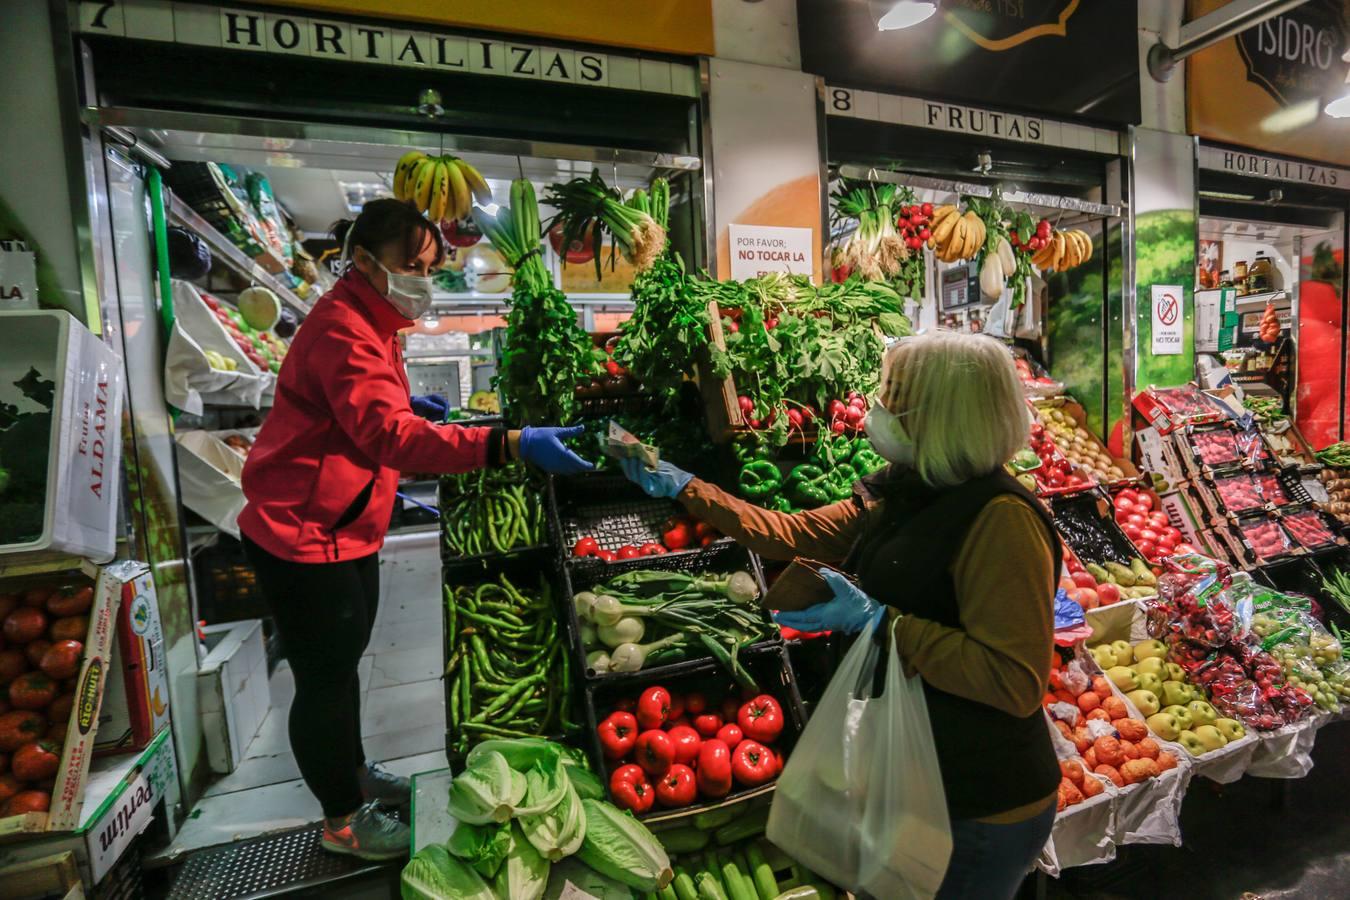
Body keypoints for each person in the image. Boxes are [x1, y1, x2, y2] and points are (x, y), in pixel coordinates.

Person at [622, 331, 1059, 899]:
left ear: (946, 414)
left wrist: (884, 623)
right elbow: (795, 533)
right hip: (920, 786)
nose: (878, 404)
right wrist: (685, 487)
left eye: (894, 393)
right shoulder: (909, 489)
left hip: (980, 806)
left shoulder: (1002, 521)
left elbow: (1014, 680)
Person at [238, 199, 592, 861]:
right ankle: (342, 822)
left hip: (343, 526)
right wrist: (508, 444)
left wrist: (408, 402)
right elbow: (390, 437)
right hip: (302, 532)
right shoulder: (344, 327)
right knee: (322, 678)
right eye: (412, 265)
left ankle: (356, 777)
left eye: (431, 266)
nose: (423, 279)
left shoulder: (375, 320)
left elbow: (369, 408)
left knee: (342, 668)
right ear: (365, 261)